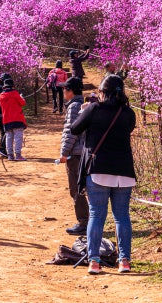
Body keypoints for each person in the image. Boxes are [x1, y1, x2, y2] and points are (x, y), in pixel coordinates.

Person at [71, 75, 136, 275]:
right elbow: (127, 130)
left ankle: (94, 262)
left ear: (103, 91)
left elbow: (75, 129)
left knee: (97, 216)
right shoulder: (128, 113)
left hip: (99, 170)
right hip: (124, 172)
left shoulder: (94, 109)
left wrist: (83, 112)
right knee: (122, 217)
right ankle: (124, 261)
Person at [57, 77, 88, 236]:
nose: (63, 92)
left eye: (65, 89)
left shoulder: (74, 107)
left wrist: (64, 153)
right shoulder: (79, 104)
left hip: (75, 154)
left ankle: (84, 222)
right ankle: (86, 221)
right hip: (81, 152)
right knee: (81, 187)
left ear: (71, 91)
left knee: (76, 188)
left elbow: (70, 132)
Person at [0, 79, 27, 161]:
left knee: (9, 137)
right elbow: (23, 103)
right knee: (18, 137)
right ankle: (18, 155)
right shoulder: (15, 94)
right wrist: (21, 97)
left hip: (6, 119)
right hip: (17, 118)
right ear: (12, 86)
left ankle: (10, 155)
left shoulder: (1, 96)